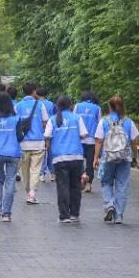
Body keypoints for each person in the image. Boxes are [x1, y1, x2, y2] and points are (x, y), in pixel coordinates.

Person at [92, 95, 139, 224]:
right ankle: (119, 216)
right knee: (122, 185)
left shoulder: (104, 121)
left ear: (109, 106)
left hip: (107, 157)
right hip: (124, 158)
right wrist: (134, 157)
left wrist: (96, 158)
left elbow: (98, 141)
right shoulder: (129, 122)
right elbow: (134, 142)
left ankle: (109, 204)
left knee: (106, 182)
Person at [45, 95, 88, 223]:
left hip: (59, 157)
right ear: (70, 105)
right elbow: (84, 134)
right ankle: (74, 213)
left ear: (57, 106)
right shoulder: (77, 117)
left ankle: (64, 215)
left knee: (62, 186)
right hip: (76, 156)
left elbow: (47, 136)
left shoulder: (52, 119)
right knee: (75, 185)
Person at [0, 91, 25, 222]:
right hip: (13, 152)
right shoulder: (16, 118)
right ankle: (7, 214)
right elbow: (20, 137)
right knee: (10, 181)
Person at [16, 83, 45, 204]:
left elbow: (14, 123)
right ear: (34, 91)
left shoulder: (18, 106)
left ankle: (29, 192)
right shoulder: (40, 105)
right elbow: (45, 122)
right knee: (35, 169)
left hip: (23, 143)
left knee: (25, 170)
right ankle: (32, 193)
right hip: (38, 142)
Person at [76, 91, 101, 193]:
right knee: (90, 163)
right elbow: (99, 124)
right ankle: (89, 185)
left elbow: (75, 120)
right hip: (92, 140)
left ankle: (82, 176)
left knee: (78, 161)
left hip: (79, 139)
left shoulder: (77, 106)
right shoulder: (97, 108)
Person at [36, 86, 55, 182]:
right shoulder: (51, 104)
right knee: (51, 152)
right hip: (50, 131)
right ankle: (53, 173)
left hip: (39, 131)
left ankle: (41, 173)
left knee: (42, 152)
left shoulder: (36, 104)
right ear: (46, 95)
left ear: (36, 94)